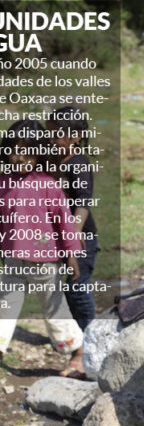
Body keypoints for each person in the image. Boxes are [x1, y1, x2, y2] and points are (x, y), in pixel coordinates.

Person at [0, 120, 86, 377]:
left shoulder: (48, 185)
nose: (19, 157)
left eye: (26, 151)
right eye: (14, 150)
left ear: (39, 154)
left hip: (45, 263)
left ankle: (78, 354)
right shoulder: (2, 183)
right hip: (13, 260)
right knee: (5, 305)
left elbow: (64, 222)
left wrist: (71, 256)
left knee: (54, 309)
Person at [47, 107, 98, 330]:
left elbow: (83, 201)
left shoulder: (78, 163)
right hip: (55, 235)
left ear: (76, 136)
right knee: (59, 288)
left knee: (76, 288)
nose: (50, 138)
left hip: (81, 236)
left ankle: (90, 332)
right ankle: (72, 335)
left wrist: (74, 235)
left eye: (56, 134)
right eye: (48, 132)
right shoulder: (49, 160)